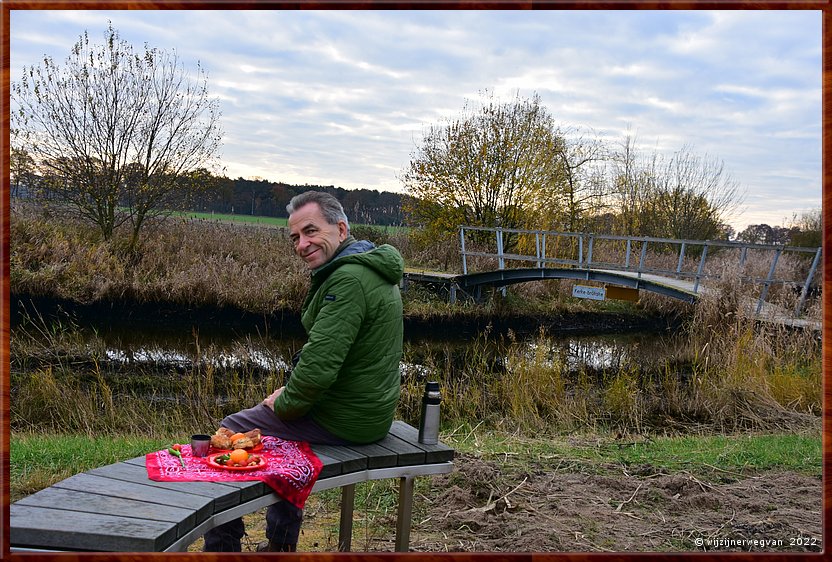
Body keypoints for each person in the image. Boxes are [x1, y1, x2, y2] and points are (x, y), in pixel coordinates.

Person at [203, 191, 404, 552]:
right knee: (280, 444)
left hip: (347, 417)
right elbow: (331, 356)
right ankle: (279, 546)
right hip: (367, 411)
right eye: (295, 237)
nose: (302, 243)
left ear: (341, 229)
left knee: (230, 431)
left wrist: (285, 404)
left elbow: (317, 370)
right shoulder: (368, 268)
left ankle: (223, 549)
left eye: (311, 231)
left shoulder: (348, 281)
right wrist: (290, 395)